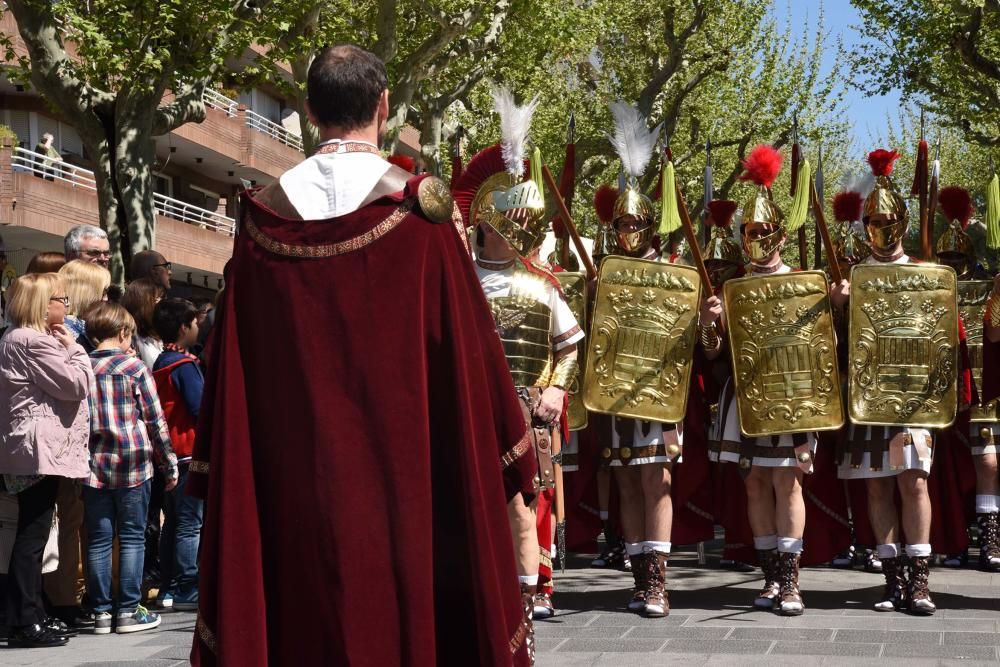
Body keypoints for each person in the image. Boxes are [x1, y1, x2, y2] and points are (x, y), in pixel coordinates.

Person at [188, 44, 532, 666]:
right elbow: (473, 359)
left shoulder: (263, 218)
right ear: (383, 104)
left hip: (291, 490)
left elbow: (234, 370)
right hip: (411, 487)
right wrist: (514, 448)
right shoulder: (420, 213)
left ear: (310, 109)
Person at [454, 88, 583, 622]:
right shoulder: (454, 277)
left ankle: (529, 598)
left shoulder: (543, 283)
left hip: (525, 412)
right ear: (486, 220)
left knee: (527, 509)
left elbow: (570, 345)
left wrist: (556, 387)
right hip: (466, 410)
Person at [701, 145, 822, 616]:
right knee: (754, 483)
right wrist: (710, 324)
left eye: (767, 230)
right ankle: (771, 574)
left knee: (787, 482)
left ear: (781, 235)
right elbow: (714, 354)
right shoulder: (729, 288)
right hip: (744, 394)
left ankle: (791, 580)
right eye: (752, 231)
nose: (759, 237)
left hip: (792, 394)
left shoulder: (803, 282)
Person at [831, 149, 946, 615]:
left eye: (888, 218)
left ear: (901, 221)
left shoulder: (925, 274)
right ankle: (892, 578)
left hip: (912, 397)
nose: (881, 226)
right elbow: (833, 349)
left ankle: (920, 580)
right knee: (877, 486)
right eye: (873, 220)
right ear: (865, 227)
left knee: (914, 483)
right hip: (864, 395)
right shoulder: (851, 277)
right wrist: (837, 308)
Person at [0, 273, 93, 648]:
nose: (66, 306)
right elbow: (75, 385)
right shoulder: (34, 341)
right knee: (33, 534)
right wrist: (76, 349)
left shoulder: (14, 338)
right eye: (61, 299)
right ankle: (24, 620)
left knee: (35, 532)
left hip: (31, 447)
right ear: (43, 304)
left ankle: (32, 612)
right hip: (39, 449)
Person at [82, 302, 178, 635]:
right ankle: (127, 611)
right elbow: (154, 418)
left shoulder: (80, 366)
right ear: (124, 332)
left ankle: (101, 614)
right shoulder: (135, 368)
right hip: (134, 460)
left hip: (93, 462)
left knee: (98, 539)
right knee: (133, 537)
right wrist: (169, 463)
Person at [151, 298, 205, 612]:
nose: (198, 326)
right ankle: (187, 586)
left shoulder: (161, 360)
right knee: (189, 523)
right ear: (184, 327)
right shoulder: (184, 366)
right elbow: (200, 407)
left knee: (173, 522)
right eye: (194, 322)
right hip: (188, 450)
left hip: (169, 452)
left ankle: (170, 584)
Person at [57, 259, 111, 349]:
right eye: (103, 292)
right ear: (85, 294)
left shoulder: (80, 326)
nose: (106, 299)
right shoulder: (65, 332)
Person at [121, 278, 166, 369]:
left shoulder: (155, 336)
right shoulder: (127, 338)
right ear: (143, 303)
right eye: (156, 299)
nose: (162, 303)